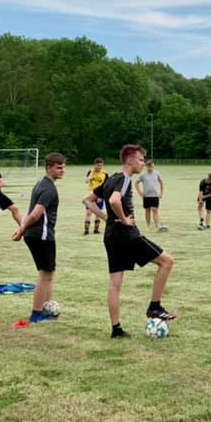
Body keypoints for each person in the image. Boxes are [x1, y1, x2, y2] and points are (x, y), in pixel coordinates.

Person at [83, 144, 176, 338]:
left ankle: (116, 329)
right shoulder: (124, 179)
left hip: (111, 236)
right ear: (130, 160)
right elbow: (114, 200)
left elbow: (87, 200)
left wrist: (107, 218)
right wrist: (124, 219)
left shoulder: (110, 179)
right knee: (167, 261)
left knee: (115, 283)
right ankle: (155, 307)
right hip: (127, 235)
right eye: (141, 159)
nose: (143, 163)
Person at [11, 153, 66, 325]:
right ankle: (36, 314)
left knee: (48, 274)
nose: (62, 170)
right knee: (45, 275)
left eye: (63, 167)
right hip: (42, 235)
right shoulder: (49, 189)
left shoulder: (40, 184)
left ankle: (46, 311)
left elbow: (30, 212)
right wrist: (22, 230)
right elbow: (35, 214)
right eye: (58, 167)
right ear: (49, 168)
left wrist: (22, 229)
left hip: (36, 234)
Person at [134, 159, 164, 230]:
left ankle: (157, 225)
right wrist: (140, 192)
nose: (151, 168)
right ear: (146, 166)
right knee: (147, 211)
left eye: (152, 166)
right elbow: (136, 183)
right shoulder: (143, 175)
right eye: (149, 166)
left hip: (155, 196)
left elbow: (161, 183)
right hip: (146, 196)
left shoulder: (157, 174)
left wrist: (161, 193)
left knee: (155, 210)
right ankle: (148, 225)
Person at [84, 158, 108, 235]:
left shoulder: (105, 174)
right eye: (97, 165)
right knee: (88, 212)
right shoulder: (90, 173)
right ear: (94, 165)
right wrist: (92, 172)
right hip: (91, 196)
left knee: (98, 213)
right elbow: (86, 181)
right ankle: (86, 231)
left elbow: (106, 187)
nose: (99, 167)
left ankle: (96, 230)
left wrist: (101, 197)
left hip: (100, 196)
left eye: (101, 165)